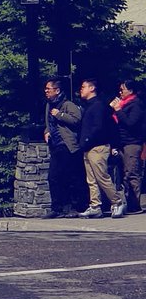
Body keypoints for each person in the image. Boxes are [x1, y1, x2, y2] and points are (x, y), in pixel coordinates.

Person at [78, 77, 125, 218]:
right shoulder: (90, 106)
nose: (81, 90)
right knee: (91, 179)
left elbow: (98, 128)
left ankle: (117, 202)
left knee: (102, 177)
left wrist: (87, 140)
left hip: (97, 147)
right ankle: (95, 206)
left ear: (92, 88)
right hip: (88, 147)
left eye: (83, 87)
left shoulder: (98, 106)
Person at [43, 78, 83, 218]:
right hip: (55, 145)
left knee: (70, 177)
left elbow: (76, 119)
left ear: (57, 90)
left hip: (67, 145)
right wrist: (47, 132)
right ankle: (57, 208)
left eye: (49, 89)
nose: (46, 91)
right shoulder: (48, 105)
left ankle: (72, 207)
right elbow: (48, 124)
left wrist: (59, 115)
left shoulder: (67, 104)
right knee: (53, 177)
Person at [110, 79, 146, 213]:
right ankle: (129, 202)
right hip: (123, 143)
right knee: (124, 174)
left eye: (122, 90)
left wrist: (118, 110)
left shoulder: (136, 105)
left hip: (132, 142)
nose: (120, 92)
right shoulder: (125, 104)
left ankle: (135, 205)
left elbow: (130, 123)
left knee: (131, 173)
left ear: (130, 91)